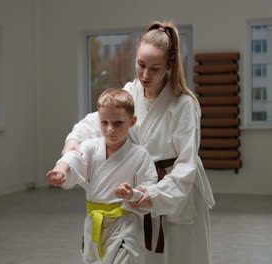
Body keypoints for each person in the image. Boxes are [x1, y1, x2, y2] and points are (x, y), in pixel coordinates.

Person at [62, 21, 215, 264]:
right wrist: (73, 140)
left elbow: (187, 164)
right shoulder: (130, 92)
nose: (145, 74)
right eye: (140, 65)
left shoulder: (183, 104)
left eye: (154, 68)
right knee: (142, 254)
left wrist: (156, 195)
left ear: (169, 65)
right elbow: (97, 120)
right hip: (139, 185)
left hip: (176, 189)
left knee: (180, 255)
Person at [47, 88, 158, 264]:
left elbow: (149, 189)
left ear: (132, 121)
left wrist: (132, 194)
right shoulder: (91, 147)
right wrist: (61, 168)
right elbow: (74, 156)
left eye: (118, 123)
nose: (110, 129)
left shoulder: (140, 154)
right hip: (94, 224)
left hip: (125, 226)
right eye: (104, 122)